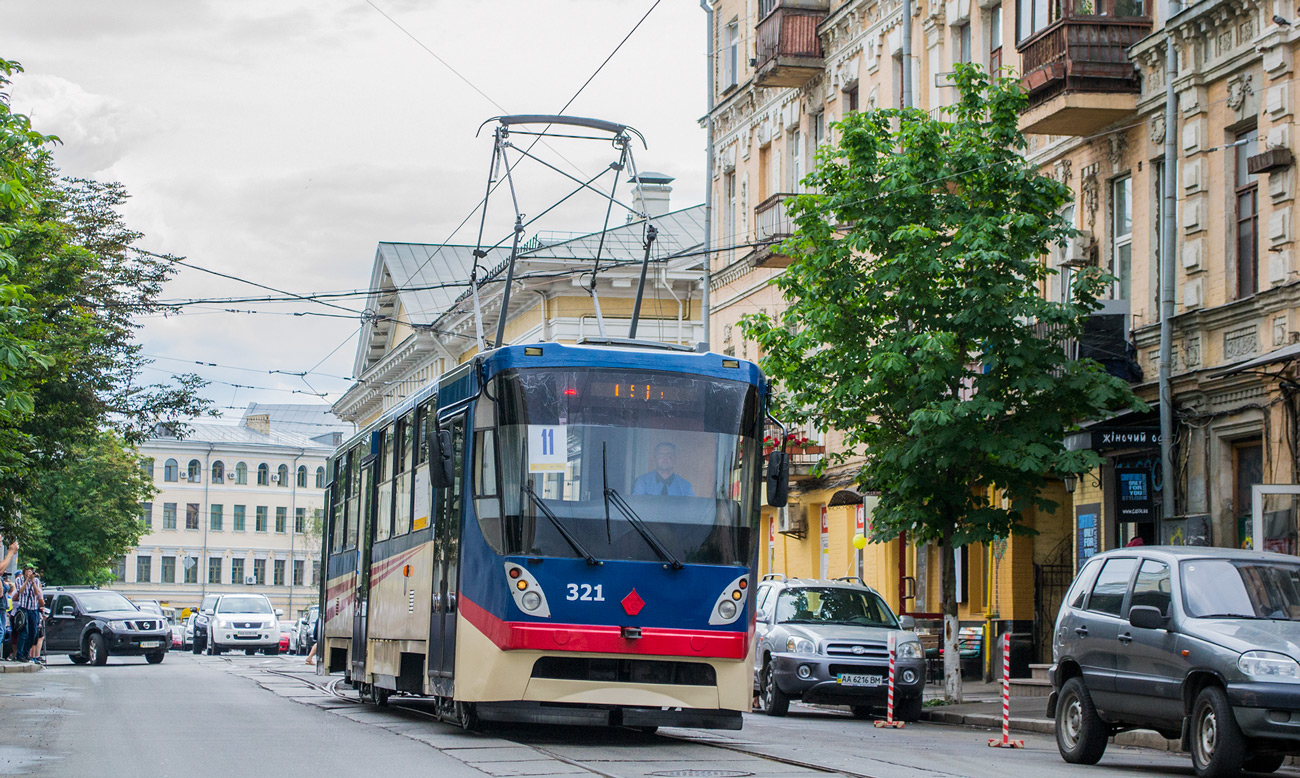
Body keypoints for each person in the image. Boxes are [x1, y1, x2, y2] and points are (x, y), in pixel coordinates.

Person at [13, 565, 42, 663]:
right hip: (24, 608)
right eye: (28, 570)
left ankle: (26, 653)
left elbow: (37, 593)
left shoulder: (36, 581)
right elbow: (20, 591)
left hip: (33, 608)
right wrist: (26, 581)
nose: (29, 572)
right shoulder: (19, 580)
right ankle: (20, 654)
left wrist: (32, 582)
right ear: (24, 571)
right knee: (24, 632)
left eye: (31, 571)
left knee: (33, 633)